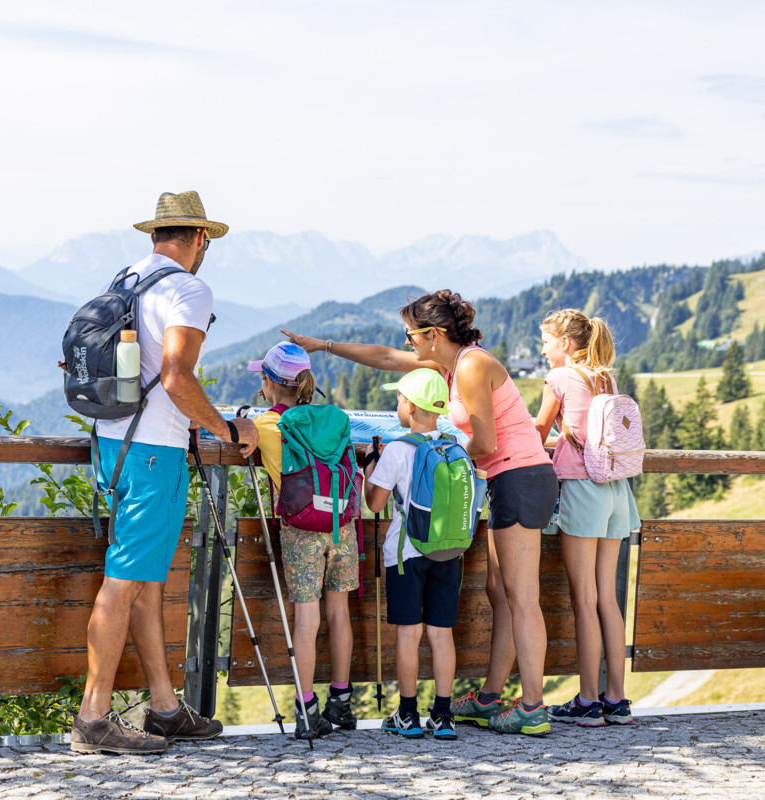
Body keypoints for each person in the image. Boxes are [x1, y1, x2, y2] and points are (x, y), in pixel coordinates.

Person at [283, 288, 558, 736]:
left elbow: (485, 444)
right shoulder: (450, 365)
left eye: (412, 334)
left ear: (433, 334)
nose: (407, 342)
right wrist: (323, 346)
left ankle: (531, 708)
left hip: (519, 478)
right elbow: (387, 359)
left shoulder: (470, 366)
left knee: (521, 596)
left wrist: (435, 464)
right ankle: (490, 696)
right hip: (510, 480)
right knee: (500, 591)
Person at [71, 191, 259, 755]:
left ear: (156, 234)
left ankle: (164, 708)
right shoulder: (186, 287)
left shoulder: (125, 278)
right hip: (156, 452)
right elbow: (177, 378)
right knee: (124, 580)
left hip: (112, 442)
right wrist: (228, 430)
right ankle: (93, 718)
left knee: (146, 578)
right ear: (199, 238)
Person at [248, 341, 358, 738]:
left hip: (301, 529)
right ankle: (342, 702)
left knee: (307, 618)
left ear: (269, 384)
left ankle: (306, 707)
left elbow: (239, 440)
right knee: (339, 613)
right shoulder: (333, 418)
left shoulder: (267, 425)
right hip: (341, 523)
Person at [535, 309, 639, 727]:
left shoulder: (560, 378)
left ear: (565, 344)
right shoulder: (604, 378)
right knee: (607, 598)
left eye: (545, 342)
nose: (542, 350)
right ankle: (616, 698)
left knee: (583, 600)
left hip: (582, 488)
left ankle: (588, 701)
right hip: (617, 491)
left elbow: (540, 429)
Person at [363, 368, 460, 741]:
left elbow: (374, 504)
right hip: (448, 552)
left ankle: (407, 714)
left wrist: (372, 465)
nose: (397, 404)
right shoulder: (454, 447)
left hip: (406, 554)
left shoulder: (400, 449)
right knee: (441, 633)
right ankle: (443, 715)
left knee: (409, 633)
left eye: (400, 399)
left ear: (412, 406)